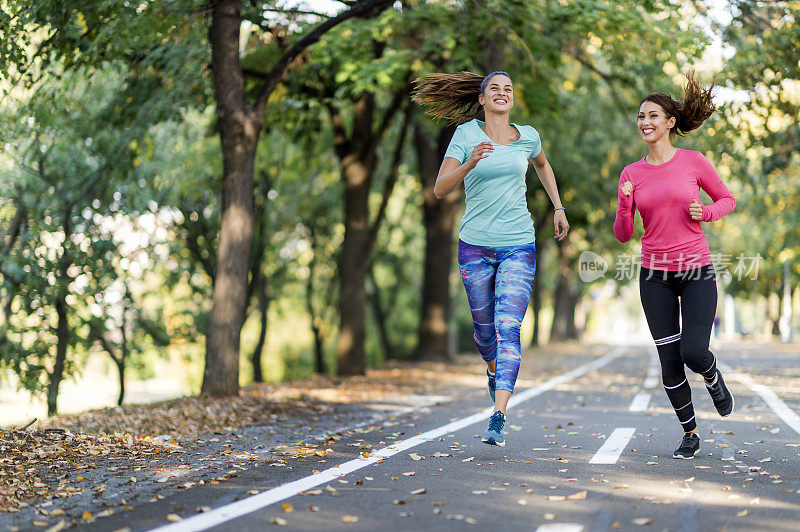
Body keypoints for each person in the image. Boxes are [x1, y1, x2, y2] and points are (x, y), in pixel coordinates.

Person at [413, 71, 569, 446]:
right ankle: (492, 370)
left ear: (513, 100)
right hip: (475, 246)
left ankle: (498, 414)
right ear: (482, 100)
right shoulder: (466, 135)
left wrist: (558, 206)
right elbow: (439, 188)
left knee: (508, 329)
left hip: (518, 242)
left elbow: (543, 165)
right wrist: (470, 163)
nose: (502, 94)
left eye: (508, 90)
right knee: (485, 335)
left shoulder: (528, 136)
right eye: (494, 89)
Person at [613, 72, 736, 459]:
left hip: (696, 268)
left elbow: (727, 199)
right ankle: (690, 432)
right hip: (655, 275)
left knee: (693, 352)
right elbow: (622, 233)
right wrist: (624, 202)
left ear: (670, 122)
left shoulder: (694, 162)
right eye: (640, 117)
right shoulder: (631, 173)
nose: (645, 122)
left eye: (652, 116)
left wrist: (708, 212)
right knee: (669, 360)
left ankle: (712, 374)